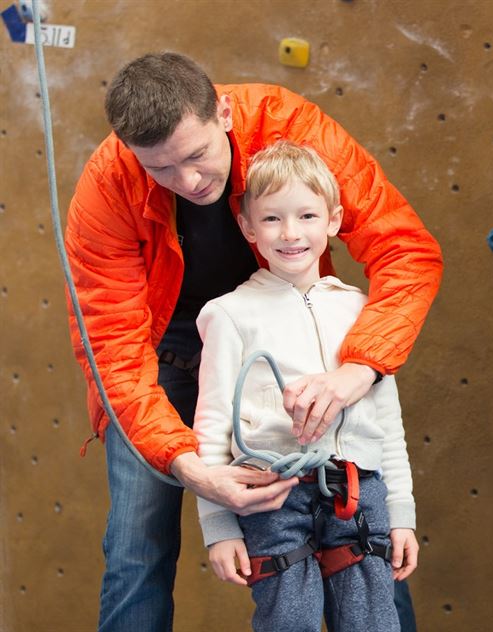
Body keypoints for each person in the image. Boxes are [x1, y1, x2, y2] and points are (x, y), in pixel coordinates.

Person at [64, 52, 440, 631]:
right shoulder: (107, 184)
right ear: (130, 152)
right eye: (161, 170)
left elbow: (404, 252)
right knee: (137, 544)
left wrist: (358, 370)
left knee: (361, 521)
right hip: (160, 363)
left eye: (196, 156)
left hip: (281, 347)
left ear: (224, 112)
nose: (187, 182)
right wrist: (188, 466)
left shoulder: (291, 129)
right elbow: (110, 346)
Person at [194, 140, 417, 631]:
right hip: (272, 495)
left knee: (373, 622)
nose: (290, 233)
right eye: (272, 219)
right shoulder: (230, 315)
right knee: (287, 621)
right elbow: (210, 429)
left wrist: (402, 513)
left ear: (334, 220)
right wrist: (218, 525)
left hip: (360, 490)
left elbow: (387, 425)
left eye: (307, 216)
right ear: (247, 226)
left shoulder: (362, 311)